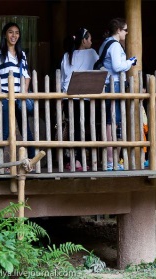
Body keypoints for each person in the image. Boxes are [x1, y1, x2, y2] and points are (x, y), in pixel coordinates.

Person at [0, 22, 35, 166]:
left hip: (18, 98)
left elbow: (27, 76)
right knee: (4, 133)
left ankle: (33, 162)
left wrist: (24, 93)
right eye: (10, 32)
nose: (14, 35)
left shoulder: (22, 55)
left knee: (26, 132)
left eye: (16, 32)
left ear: (19, 36)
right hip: (5, 97)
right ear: (5, 34)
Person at [98, 18, 136, 171]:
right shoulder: (114, 45)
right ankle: (110, 160)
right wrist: (131, 62)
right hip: (113, 85)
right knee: (112, 121)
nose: (127, 33)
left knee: (110, 121)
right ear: (119, 30)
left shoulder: (104, 43)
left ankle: (111, 160)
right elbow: (117, 66)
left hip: (107, 84)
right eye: (125, 30)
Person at [60, 27, 99, 171]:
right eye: (89, 39)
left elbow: (63, 79)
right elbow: (101, 68)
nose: (91, 41)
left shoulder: (67, 55)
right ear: (84, 40)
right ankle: (79, 160)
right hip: (85, 95)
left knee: (73, 127)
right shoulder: (92, 53)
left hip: (69, 95)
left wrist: (62, 97)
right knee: (83, 127)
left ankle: (72, 159)